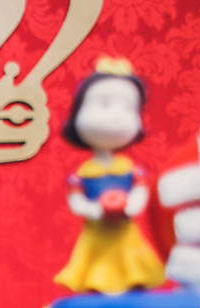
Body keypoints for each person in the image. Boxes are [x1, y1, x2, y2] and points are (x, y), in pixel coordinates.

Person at [54, 57, 165, 295]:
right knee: (95, 275)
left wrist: (132, 205)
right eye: (104, 104)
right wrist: (93, 209)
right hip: (96, 233)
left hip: (124, 231)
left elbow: (140, 191)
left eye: (128, 108)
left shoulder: (131, 169)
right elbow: (76, 201)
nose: (117, 116)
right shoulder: (81, 175)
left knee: (133, 270)